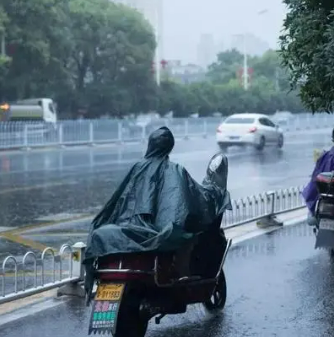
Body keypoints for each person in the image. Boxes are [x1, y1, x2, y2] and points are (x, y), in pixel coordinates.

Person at [82, 126, 231, 301]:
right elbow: (193, 199)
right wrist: (214, 192)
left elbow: (118, 200)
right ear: (170, 146)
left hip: (128, 225)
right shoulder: (175, 170)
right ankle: (181, 274)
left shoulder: (137, 168)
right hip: (157, 230)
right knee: (187, 237)